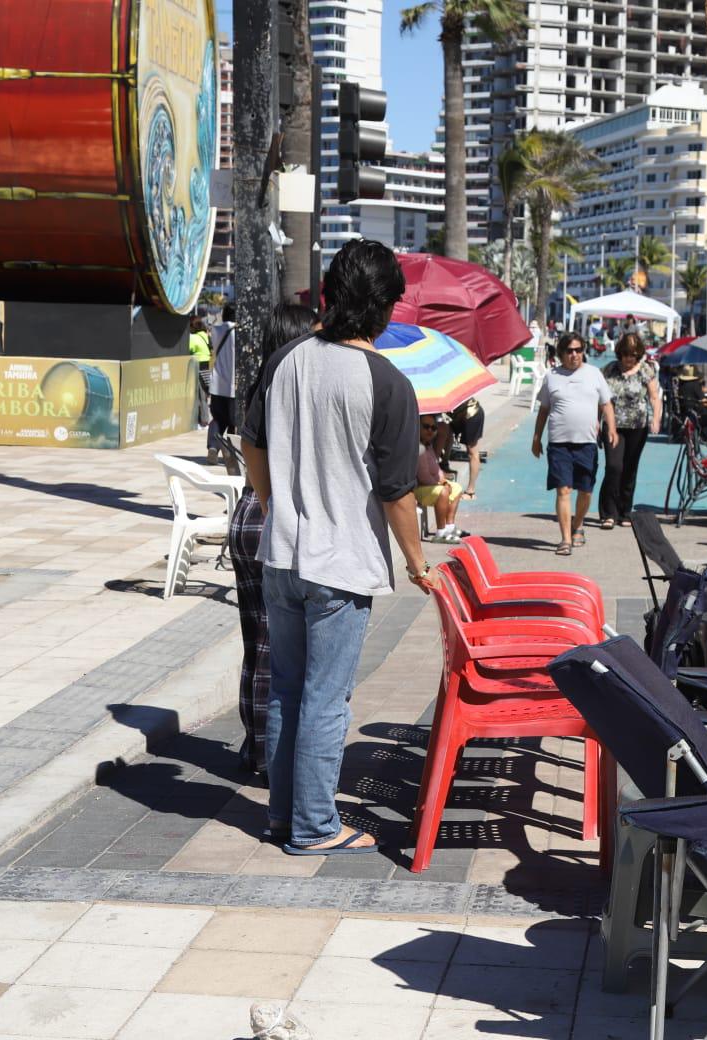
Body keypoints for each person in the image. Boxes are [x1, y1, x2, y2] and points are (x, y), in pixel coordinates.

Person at [240, 239, 437, 857]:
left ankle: (282, 818)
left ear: (329, 293)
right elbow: (398, 493)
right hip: (341, 563)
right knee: (326, 699)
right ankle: (313, 826)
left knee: (287, 692)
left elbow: (252, 447)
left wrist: (273, 504)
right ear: (384, 308)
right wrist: (416, 561)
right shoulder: (386, 382)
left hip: (283, 555)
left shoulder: (286, 361)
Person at [229, 302, 318, 780]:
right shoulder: (290, 387)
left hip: (245, 512)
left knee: (256, 643)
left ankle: (255, 746)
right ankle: (269, 756)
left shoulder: (259, 383)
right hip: (270, 515)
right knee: (279, 652)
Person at [532, 331, 616, 556]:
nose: (574, 354)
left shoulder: (594, 374)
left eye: (578, 350)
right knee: (563, 490)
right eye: (569, 351)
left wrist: (612, 429)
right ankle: (565, 539)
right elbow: (544, 410)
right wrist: (536, 438)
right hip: (559, 444)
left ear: (583, 351)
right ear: (561, 353)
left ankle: (578, 524)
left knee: (586, 491)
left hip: (587, 443)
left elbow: (606, 404)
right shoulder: (552, 376)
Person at [598, 333, 661, 529]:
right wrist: (595, 422)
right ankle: (608, 512)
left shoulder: (645, 370)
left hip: (637, 426)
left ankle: (625, 511)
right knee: (614, 467)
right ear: (620, 353)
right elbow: (599, 398)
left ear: (639, 354)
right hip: (613, 425)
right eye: (625, 354)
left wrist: (656, 418)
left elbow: (654, 397)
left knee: (630, 468)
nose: (629, 358)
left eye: (633, 354)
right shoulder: (609, 370)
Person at [415, 415, 463, 542]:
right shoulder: (418, 448)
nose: (430, 430)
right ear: (417, 427)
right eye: (426, 427)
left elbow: (436, 468)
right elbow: (423, 477)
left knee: (456, 488)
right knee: (443, 491)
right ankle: (440, 532)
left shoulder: (428, 446)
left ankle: (449, 527)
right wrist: (441, 485)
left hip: (430, 486)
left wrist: (444, 480)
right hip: (418, 489)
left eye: (433, 428)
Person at [207, 303, 237, 463]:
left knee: (218, 419)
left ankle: (213, 447)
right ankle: (232, 453)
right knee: (235, 421)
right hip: (234, 386)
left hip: (217, 385)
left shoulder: (216, 331)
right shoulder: (239, 332)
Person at [446, 396, 485, 500]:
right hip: (459, 414)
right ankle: (444, 464)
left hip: (471, 413)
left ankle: (471, 491)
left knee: (472, 452)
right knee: (446, 432)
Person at [188, 313, 212, 427]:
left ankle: (202, 421)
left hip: (198, 366)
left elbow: (187, 348)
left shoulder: (193, 337)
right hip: (206, 367)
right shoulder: (205, 335)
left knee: (200, 395)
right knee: (204, 395)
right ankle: (205, 419)